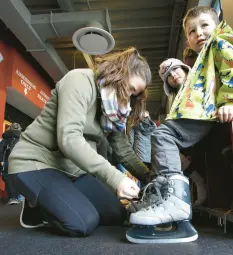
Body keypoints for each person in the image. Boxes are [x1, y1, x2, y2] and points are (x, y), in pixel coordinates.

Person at [8, 47, 152, 236]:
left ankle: (55, 197)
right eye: (130, 88)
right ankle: (36, 206)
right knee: (82, 223)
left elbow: (123, 150)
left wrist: (149, 177)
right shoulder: (80, 80)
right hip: (36, 162)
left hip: (72, 170)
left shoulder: (113, 108)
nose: (129, 97)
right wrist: (117, 179)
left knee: (117, 215)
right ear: (120, 71)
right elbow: (69, 139)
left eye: (134, 95)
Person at [129, 6, 233, 226]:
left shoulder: (220, 42)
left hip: (207, 112)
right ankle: (161, 194)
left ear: (217, 26)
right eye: (192, 31)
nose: (199, 33)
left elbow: (230, 69)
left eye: (205, 26)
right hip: (204, 116)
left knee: (163, 135)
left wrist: (229, 101)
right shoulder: (200, 59)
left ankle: (174, 200)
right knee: (163, 140)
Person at [159, 58, 207, 206]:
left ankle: (172, 198)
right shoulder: (175, 99)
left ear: (185, 69)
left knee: (160, 137)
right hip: (188, 131)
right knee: (162, 144)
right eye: (168, 76)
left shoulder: (198, 81)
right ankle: (194, 184)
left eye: (175, 69)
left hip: (202, 123)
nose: (173, 75)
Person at [0, 123, 23, 205]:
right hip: (20, 162)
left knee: (9, 179)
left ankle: (13, 197)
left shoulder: (6, 138)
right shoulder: (23, 139)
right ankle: (18, 197)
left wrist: (1, 161)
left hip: (8, 161)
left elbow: (1, 149)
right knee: (18, 179)